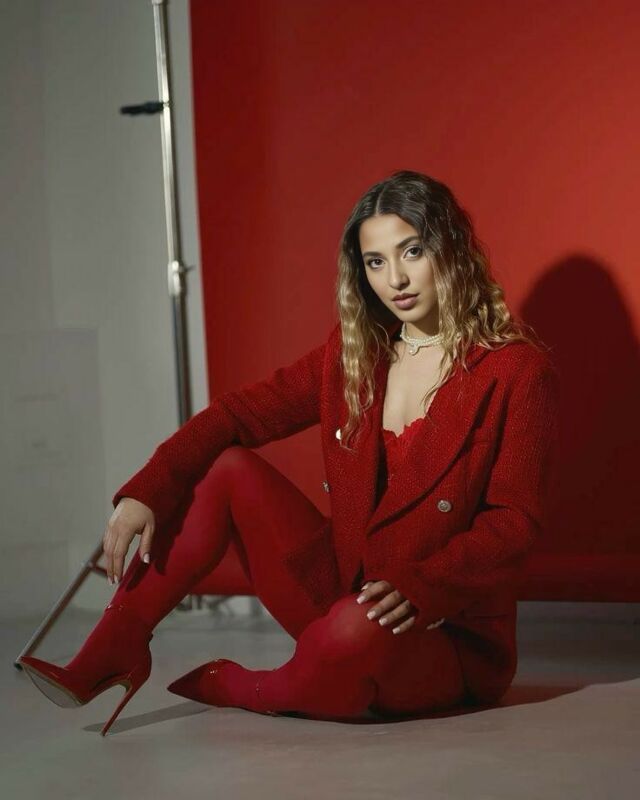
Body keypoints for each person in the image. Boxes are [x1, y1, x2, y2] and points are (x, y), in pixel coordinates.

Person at [19, 169, 559, 735]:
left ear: (450, 247)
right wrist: (146, 491)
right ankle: (113, 649)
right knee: (226, 468)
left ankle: (242, 686)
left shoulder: (516, 370)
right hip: (343, 594)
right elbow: (235, 415)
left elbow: (513, 522)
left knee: (350, 631)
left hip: (441, 628)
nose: (395, 279)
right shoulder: (356, 354)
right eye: (375, 262)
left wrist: (425, 584)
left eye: (412, 251)